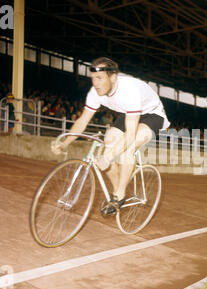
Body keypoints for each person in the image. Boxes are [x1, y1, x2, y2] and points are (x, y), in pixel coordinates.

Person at [51, 57, 170, 215]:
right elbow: (83, 120)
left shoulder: (129, 89)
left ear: (113, 77)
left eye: (99, 78)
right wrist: (65, 143)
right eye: (93, 78)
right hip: (129, 113)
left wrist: (111, 155)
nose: (95, 83)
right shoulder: (95, 92)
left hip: (152, 115)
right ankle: (117, 193)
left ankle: (120, 194)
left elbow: (131, 132)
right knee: (106, 145)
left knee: (128, 147)